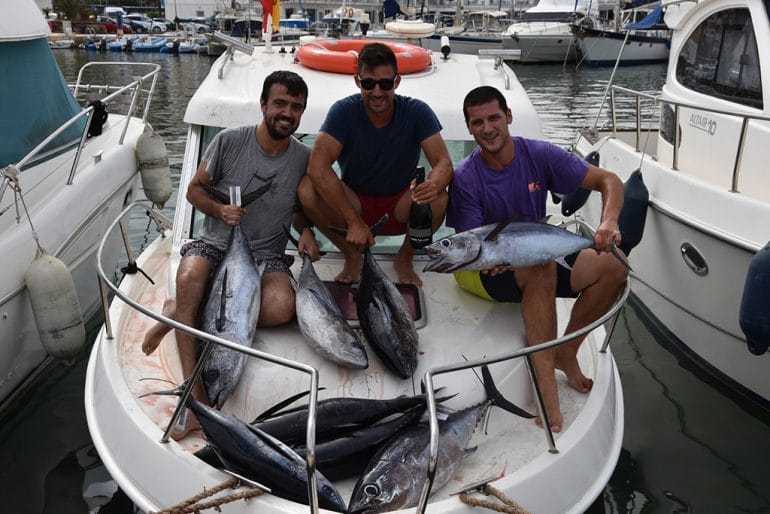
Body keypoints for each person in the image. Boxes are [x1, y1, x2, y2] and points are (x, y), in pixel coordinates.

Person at [141, 70, 320, 439]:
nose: (288, 113)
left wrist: (304, 229)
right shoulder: (228, 141)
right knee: (189, 276)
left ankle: (179, 313)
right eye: (281, 104)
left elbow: (301, 207)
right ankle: (194, 396)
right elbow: (193, 191)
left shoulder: (303, 157)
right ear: (264, 105)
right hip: (217, 242)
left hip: (267, 252)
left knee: (280, 307)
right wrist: (221, 212)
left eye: (296, 107)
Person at [447, 86, 628, 433]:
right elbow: (471, 248)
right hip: (480, 268)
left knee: (613, 268)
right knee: (540, 271)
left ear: (509, 116)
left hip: (535, 252)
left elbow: (609, 180)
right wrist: (490, 261)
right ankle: (547, 395)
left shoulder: (539, 155)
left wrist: (608, 220)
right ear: (470, 129)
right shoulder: (466, 177)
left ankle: (567, 351)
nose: (487, 128)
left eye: (493, 118)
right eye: (477, 122)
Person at [298, 42, 453, 287]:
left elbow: (443, 162)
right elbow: (317, 167)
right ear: (358, 81)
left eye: (385, 83)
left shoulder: (417, 112)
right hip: (354, 203)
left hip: (401, 203)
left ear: (397, 82)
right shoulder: (343, 112)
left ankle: (404, 258)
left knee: (440, 198)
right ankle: (352, 255)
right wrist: (352, 220)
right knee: (307, 188)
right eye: (369, 83)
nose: (377, 91)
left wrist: (433, 184)